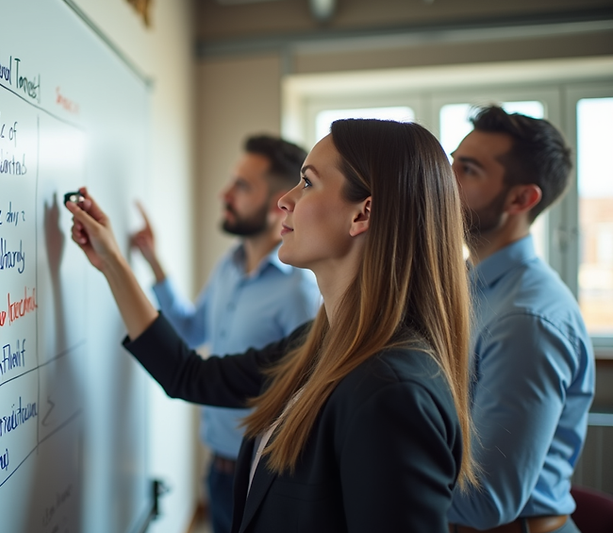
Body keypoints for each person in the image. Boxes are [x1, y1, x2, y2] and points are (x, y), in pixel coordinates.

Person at [65, 119, 477, 532]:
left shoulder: (393, 394)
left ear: (362, 214)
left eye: (308, 183)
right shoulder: (320, 343)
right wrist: (112, 262)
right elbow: (189, 375)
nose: (285, 200)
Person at [129, 135, 321, 533]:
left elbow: (304, 402)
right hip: (217, 468)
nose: (225, 194)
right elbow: (191, 330)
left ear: (278, 204)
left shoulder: (299, 293)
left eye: (241, 186)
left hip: (264, 475)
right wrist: (153, 261)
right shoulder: (228, 265)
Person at [447, 106, 595, 533]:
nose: (445, 180)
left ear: (521, 199)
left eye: (468, 170)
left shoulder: (525, 319)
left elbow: (484, 502)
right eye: (452, 162)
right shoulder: (466, 286)